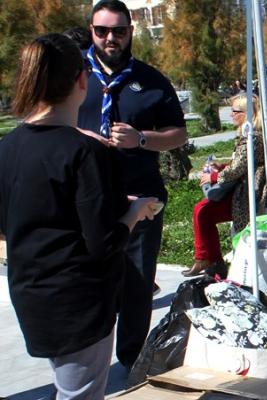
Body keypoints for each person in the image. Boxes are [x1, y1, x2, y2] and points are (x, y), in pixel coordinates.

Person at [0, 33, 165, 400]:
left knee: (77, 399)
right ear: (80, 81)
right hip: (78, 300)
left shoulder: (9, 147)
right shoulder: (84, 151)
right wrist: (136, 212)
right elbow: (103, 241)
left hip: (33, 293)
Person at [78, 1, 188, 370]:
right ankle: (82, 367)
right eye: (102, 31)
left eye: (119, 31)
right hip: (84, 200)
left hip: (140, 198)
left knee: (138, 284)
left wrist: (140, 138)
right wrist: (81, 136)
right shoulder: (73, 74)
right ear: (91, 31)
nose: (110, 38)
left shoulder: (151, 79)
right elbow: (45, 121)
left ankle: (131, 362)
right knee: (87, 284)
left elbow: (178, 134)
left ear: (131, 31)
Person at [184, 94, 267, 277]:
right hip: (244, 190)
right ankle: (209, 259)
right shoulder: (251, 135)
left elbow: (238, 168)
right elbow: (242, 164)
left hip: (250, 195)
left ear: (247, 114)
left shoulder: (252, 137)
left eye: (235, 111)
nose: (231, 115)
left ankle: (210, 259)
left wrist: (214, 176)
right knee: (202, 211)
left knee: (203, 211)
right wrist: (222, 166)